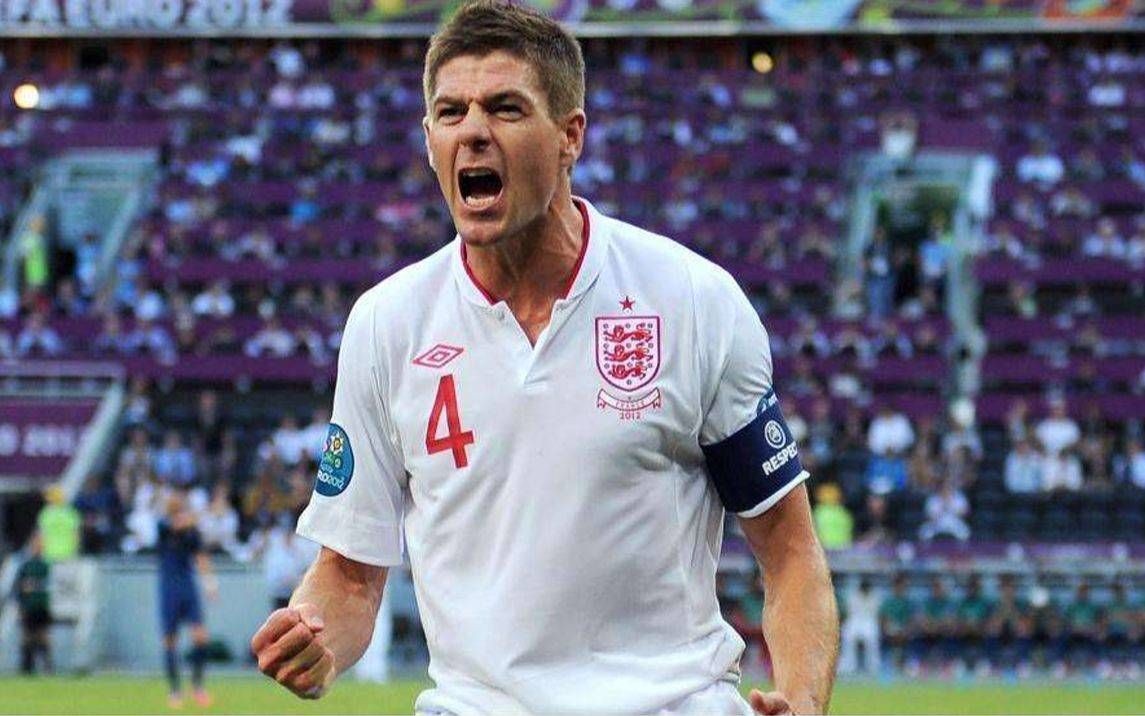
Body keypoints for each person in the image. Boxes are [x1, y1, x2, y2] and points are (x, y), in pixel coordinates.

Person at [251, 3, 838, 714]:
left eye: (505, 108)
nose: (473, 131)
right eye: (450, 112)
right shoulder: (387, 325)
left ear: (569, 136)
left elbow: (789, 550)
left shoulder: (691, 300)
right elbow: (348, 577)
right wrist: (313, 639)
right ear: (430, 140)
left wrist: (801, 699)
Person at [157, 490, 217, 708]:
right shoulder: (163, 526)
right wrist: (203, 513)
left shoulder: (192, 533)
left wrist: (210, 583)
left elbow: (201, 557)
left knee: (200, 637)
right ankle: (174, 691)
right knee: (170, 640)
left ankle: (197, 686)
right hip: (168, 587)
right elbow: (176, 525)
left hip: (188, 586)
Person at [14, 533, 53, 674]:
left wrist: (32, 586)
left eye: (40, 544)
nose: (38, 546)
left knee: (43, 637)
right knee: (27, 637)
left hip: (42, 606)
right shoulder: (26, 566)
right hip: (28, 607)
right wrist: (20, 605)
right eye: (36, 544)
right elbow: (19, 587)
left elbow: (49, 586)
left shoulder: (46, 565)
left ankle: (47, 667)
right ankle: (26, 668)